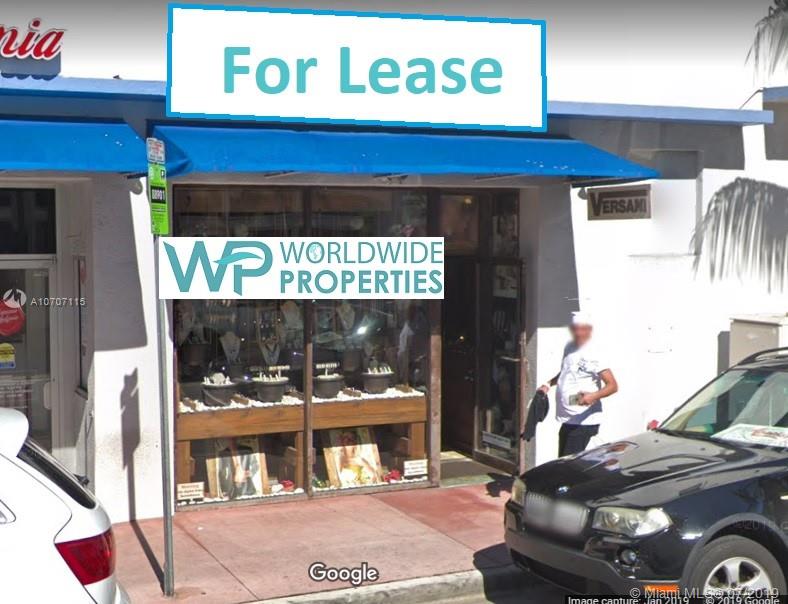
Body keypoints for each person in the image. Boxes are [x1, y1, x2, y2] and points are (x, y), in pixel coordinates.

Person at [538, 311, 619, 457]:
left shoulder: (595, 352)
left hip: (584, 422)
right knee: (563, 462)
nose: (578, 333)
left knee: (569, 465)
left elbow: (612, 385)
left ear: (589, 330)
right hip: (568, 418)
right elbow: (565, 372)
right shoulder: (570, 347)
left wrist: (593, 396)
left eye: (582, 329)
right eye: (575, 329)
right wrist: (548, 384)